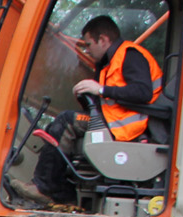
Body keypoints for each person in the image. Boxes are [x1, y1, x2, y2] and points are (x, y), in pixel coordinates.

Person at [16, 15, 162, 205]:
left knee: (66, 121)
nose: (86, 50)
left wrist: (100, 89)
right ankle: (64, 193)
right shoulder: (110, 63)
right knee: (66, 120)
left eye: (88, 44)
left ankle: (44, 187)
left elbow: (142, 92)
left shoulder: (131, 55)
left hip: (128, 126)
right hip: (114, 121)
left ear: (103, 40)